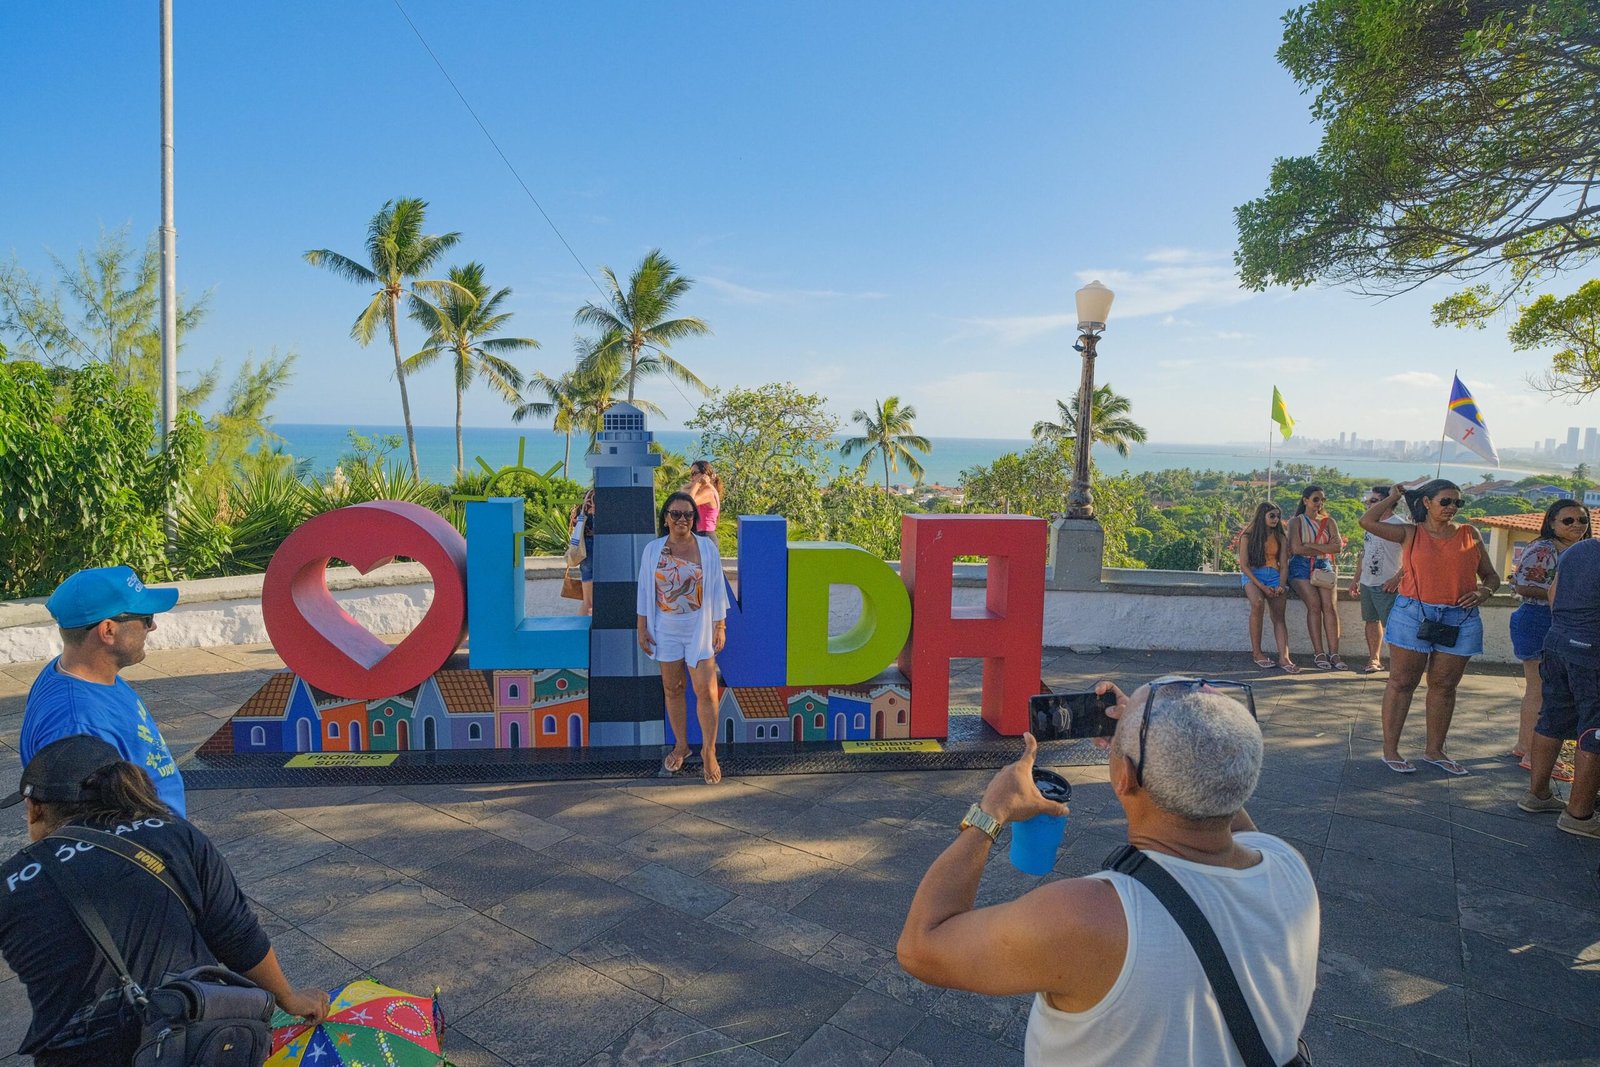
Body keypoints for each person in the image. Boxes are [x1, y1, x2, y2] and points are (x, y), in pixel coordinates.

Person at [897, 678, 1319, 1066]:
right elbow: (1216, 795)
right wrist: (1147, 738)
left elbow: (922, 946)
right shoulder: (1286, 864)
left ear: (1123, 776)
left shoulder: (1088, 918)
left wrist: (992, 811)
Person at [0, 735, 329, 1064]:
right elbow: (238, 936)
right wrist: (289, 999)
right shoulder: (177, 835)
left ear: (34, 809)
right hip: (192, 1040)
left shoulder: (12, 881)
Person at [1359, 481, 1500, 775]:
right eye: (1446, 501)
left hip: (1460, 616)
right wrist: (1394, 496)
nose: (1452, 508)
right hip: (1414, 614)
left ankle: (1434, 750)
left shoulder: (1469, 534)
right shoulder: (1411, 533)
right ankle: (1390, 749)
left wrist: (1484, 592)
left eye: (1457, 503)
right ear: (1426, 502)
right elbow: (1367, 521)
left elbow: (1490, 576)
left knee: (1445, 686)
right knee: (1402, 682)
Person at [22, 566, 187, 817]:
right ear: (108, 630)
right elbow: (91, 828)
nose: (151, 627)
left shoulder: (89, 675)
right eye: (146, 617)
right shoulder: (76, 726)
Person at [637, 491, 729, 784]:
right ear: (665, 518)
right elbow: (644, 590)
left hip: (698, 626)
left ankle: (709, 751)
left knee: (707, 691)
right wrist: (641, 627)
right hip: (665, 628)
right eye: (675, 514)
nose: (682, 519)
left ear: (694, 519)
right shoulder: (653, 550)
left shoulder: (706, 548)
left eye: (688, 514)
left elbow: (716, 588)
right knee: (673, 688)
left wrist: (720, 625)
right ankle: (681, 745)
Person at [1519, 535, 1600, 837]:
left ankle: (1537, 795)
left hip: (1558, 641)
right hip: (1592, 650)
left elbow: (1553, 594)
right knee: (1596, 730)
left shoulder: (1578, 550)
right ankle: (1579, 815)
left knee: (1552, 717)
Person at [1509, 498, 1590, 780]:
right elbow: (1523, 586)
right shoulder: (1544, 548)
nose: (1577, 525)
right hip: (1537, 619)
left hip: (1558, 622)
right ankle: (1535, 755)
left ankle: (1524, 745)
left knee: (1539, 689)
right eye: (1568, 521)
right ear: (1552, 523)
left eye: (1581, 520)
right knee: (1542, 690)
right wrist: (1570, 598)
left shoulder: (1581, 550)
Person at [1348, 484, 1409, 673]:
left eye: (1374, 501)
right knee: (1371, 621)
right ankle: (1374, 659)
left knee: (1392, 626)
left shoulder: (1400, 525)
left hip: (1387, 585)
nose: (1369, 504)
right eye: (1369, 500)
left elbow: (1413, 557)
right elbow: (1365, 553)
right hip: (1368, 582)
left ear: (1387, 502)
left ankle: (1399, 667)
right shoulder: (1371, 525)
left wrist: (1397, 578)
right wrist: (1356, 578)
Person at [1286, 485, 1347, 670]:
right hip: (1300, 566)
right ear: (1305, 500)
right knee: (1314, 605)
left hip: (1323, 565)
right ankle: (1319, 652)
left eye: (1322, 500)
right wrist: (1324, 547)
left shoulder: (1329, 522)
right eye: (1315, 499)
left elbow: (1337, 548)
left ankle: (1334, 654)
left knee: (1330, 607)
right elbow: (1297, 549)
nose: (1319, 503)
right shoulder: (1296, 522)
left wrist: (1310, 545)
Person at [1236, 503, 1297, 673]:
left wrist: (1281, 585)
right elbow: (1244, 566)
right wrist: (1262, 586)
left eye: (1277, 516)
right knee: (1257, 604)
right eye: (1272, 516)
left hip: (1275, 575)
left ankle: (1284, 657)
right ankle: (1257, 653)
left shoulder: (1280, 537)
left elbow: (1284, 565)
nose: (1275, 519)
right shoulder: (1247, 536)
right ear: (1262, 515)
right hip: (1254, 575)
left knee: (1279, 616)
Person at [567, 490, 597, 616]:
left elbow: (575, 520)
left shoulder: (587, 495)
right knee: (592, 603)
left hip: (584, 548)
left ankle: (582, 632)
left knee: (587, 601)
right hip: (597, 546)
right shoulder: (602, 494)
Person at [682, 460, 723, 536]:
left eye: (694, 473)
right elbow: (682, 491)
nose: (691, 477)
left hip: (705, 534)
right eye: (691, 474)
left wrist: (698, 483)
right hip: (701, 533)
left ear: (704, 474)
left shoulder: (708, 491)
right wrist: (695, 484)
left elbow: (689, 502)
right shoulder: (703, 490)